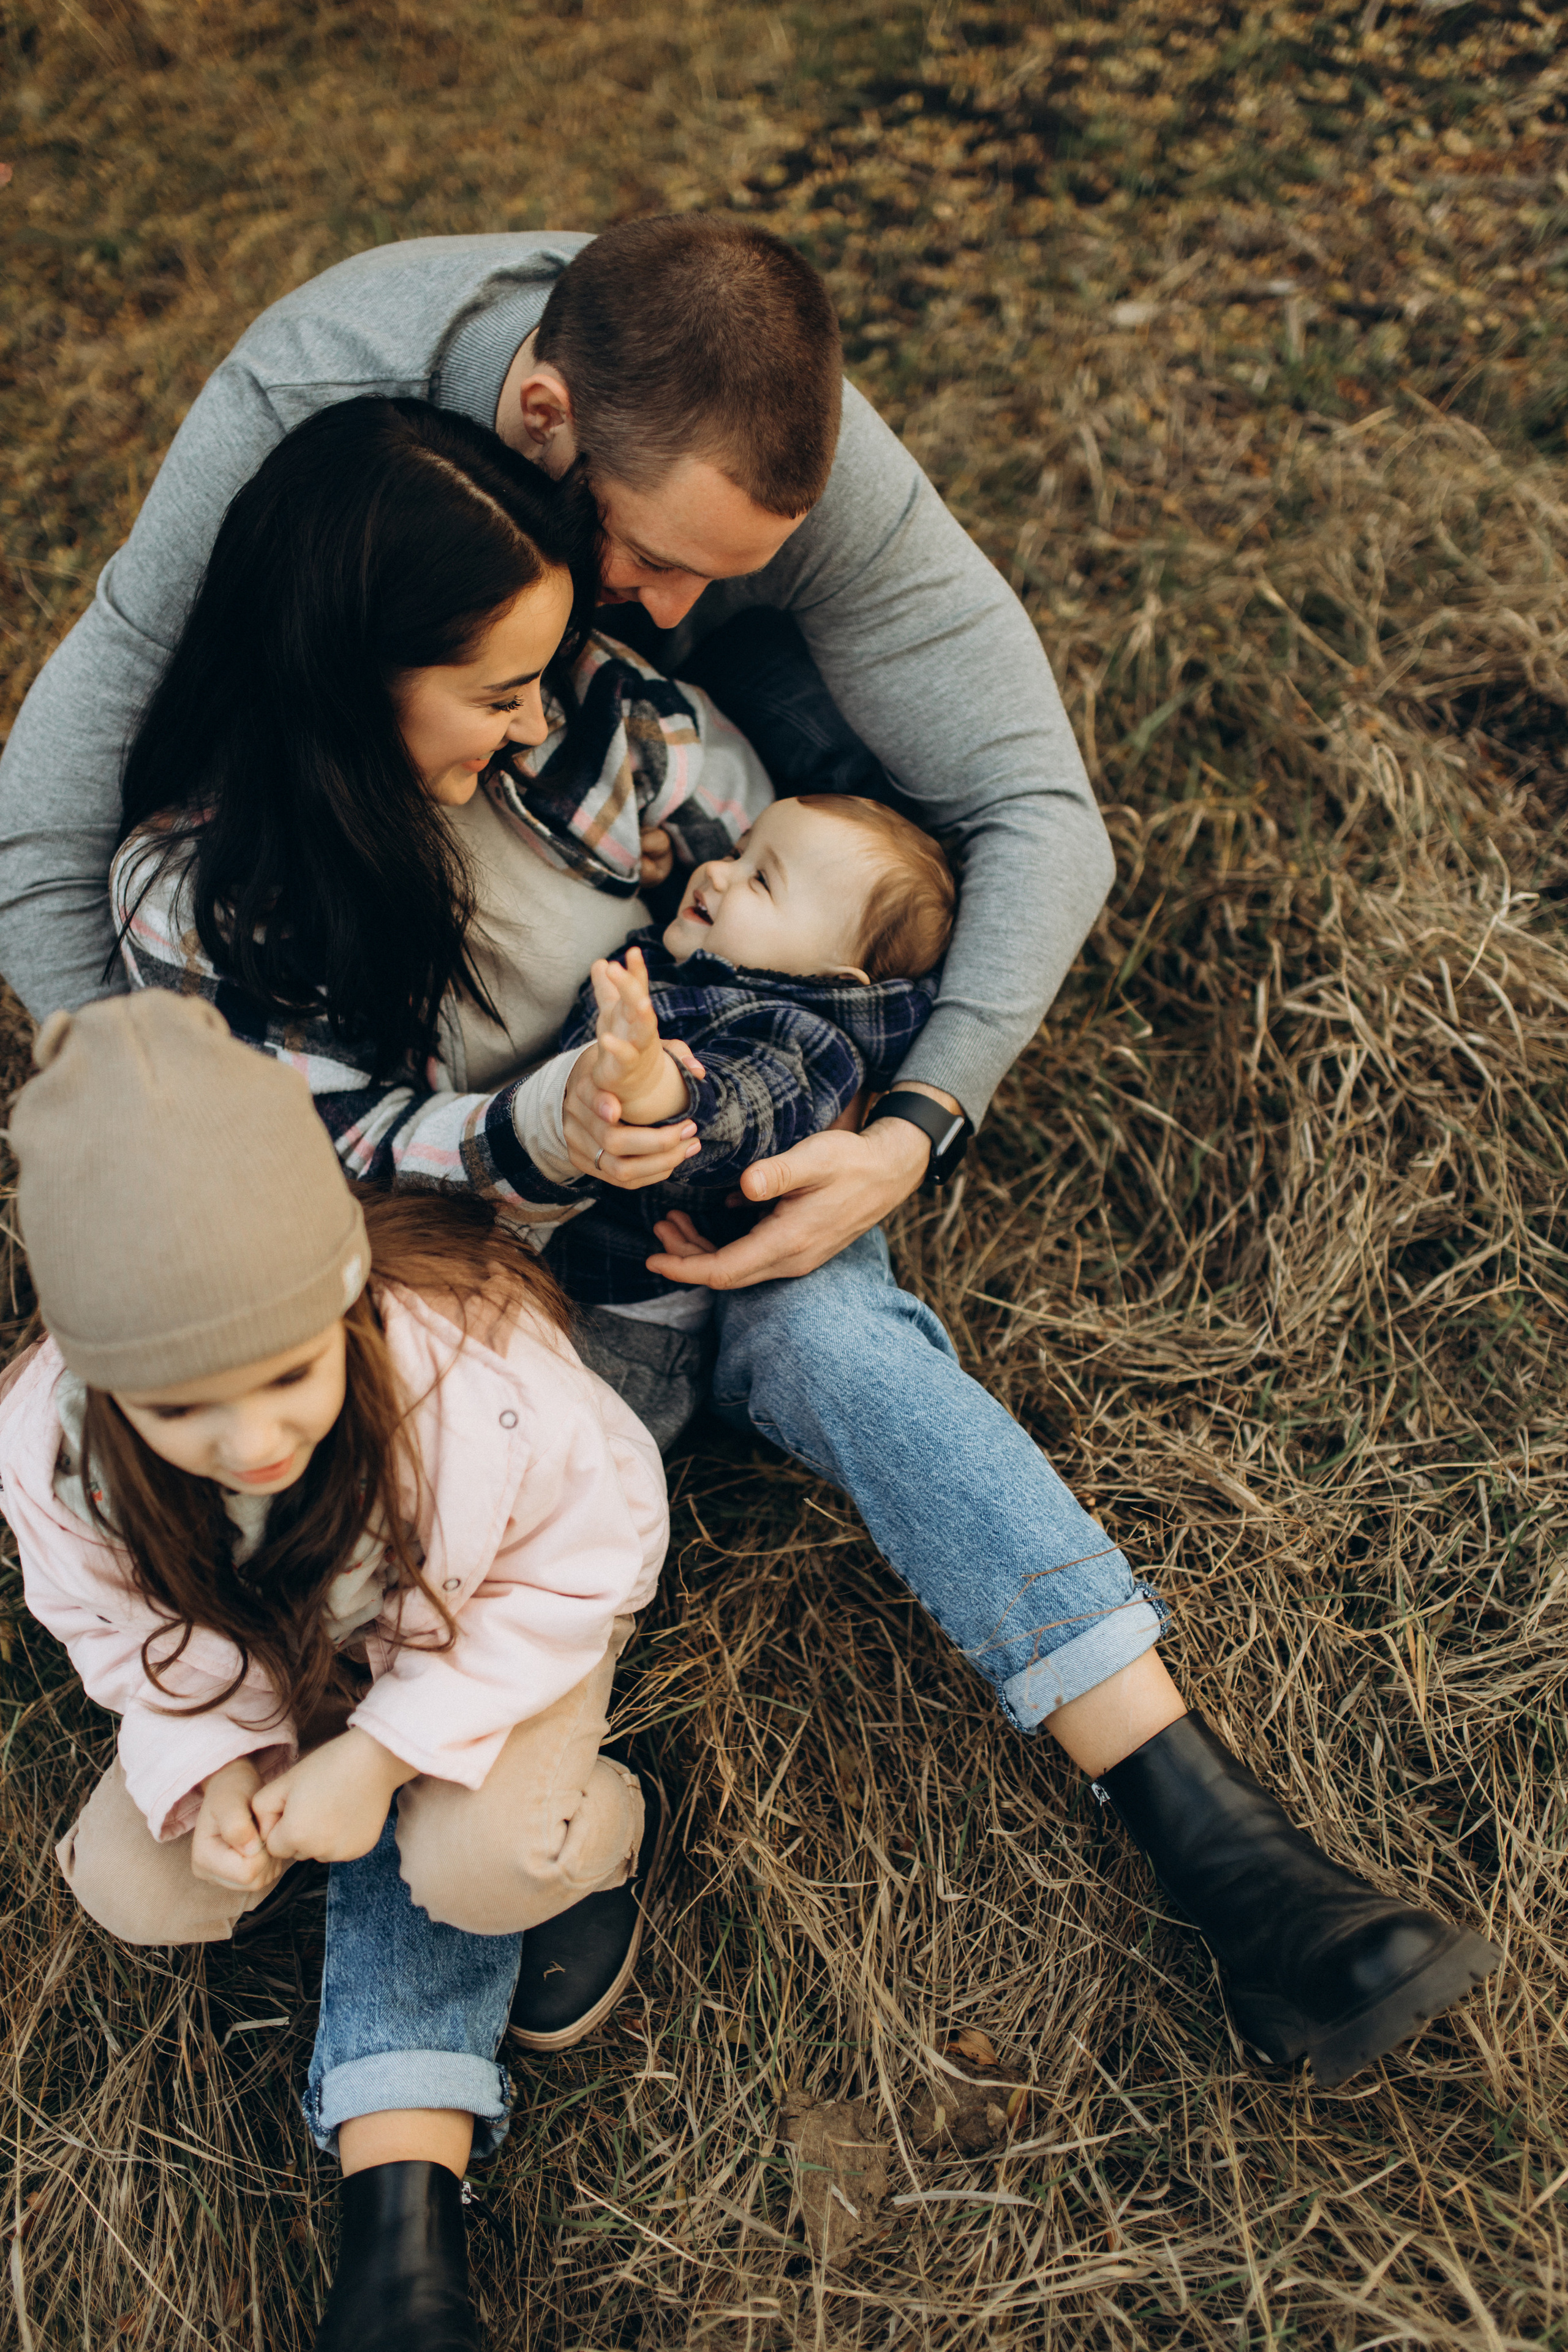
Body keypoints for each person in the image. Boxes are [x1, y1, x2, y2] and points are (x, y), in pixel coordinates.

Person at [105, 377, 1501, 2097]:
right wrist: (545, 1132)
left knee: (841, 1338)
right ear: (341, 678)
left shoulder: (601, 739)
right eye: (493, 692)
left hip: (701, 1221)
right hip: (459, 1301)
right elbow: (302, 1174)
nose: (541, 714)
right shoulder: (201, 897)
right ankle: (405, 2157)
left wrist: (814, 1101)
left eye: (551, 674)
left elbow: (818, 912)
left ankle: (1224, 1841)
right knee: (430, 1599)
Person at [0, 990, 669, 2351]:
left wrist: (382, 1749)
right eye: (180, 1409)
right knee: (138, 1883)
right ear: (95, 1375)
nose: (251, 1440)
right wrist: (219, 1760)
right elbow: (114, 1633)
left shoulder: (462, 1371)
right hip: (283, 1661)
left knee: (477, 1866)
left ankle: (600, 1828)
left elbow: (584, 1557)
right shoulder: (51, 1450)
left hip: (501, 1625)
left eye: (289, 1376)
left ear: (345, 1295)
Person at [550, 793, 956, 1433]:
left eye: (760, 879)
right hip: (551, 1257)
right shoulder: (693, 967)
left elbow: (731, 1114)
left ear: (834, 976)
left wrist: (652, 1079)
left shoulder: (808, 1044)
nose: (717, 871)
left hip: (627, 1323)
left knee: (557, 1443)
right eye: (738, 852)